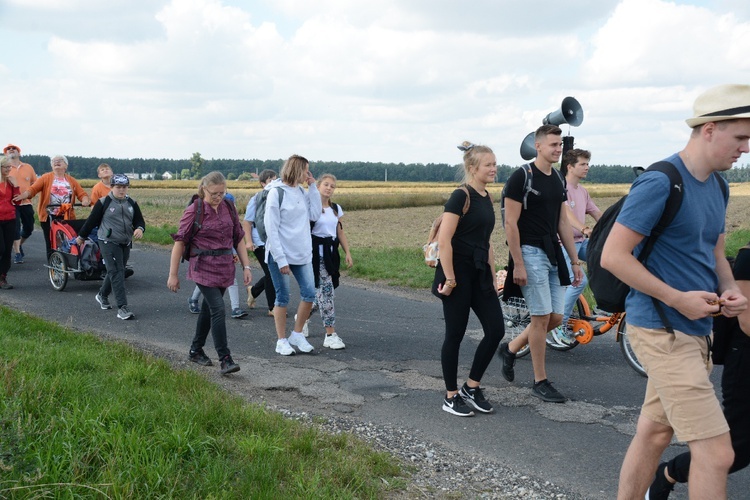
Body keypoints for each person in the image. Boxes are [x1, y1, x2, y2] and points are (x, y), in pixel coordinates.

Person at [601, 84, 750, 499]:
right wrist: (676, 297)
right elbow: (614, 256)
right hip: (662, 331)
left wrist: (728, 288)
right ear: (709, 129)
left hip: (697, 330)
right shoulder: (661, 182)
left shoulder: (717, 186)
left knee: (654, 433)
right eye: (740, 137)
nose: (746, 148)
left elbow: (716, 251)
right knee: (718, 453)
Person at [647, 245, 750, 499]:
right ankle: (668, 473)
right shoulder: (748, 258)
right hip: (745, 361)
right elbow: (747, 323)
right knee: (736, 452)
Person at [498, 124, 583, 403]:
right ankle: (540, 380)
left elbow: (561, 222)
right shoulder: (522, 177)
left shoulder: (558, 179)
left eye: (560, 145)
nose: (558, 149)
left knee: (556, 317)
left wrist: (575, 260)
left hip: (553, 252)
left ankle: (511, 349)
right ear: (538, 146)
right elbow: (510, 223)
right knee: (541, 317)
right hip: (529, 251)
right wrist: (518, 264)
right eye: (553, 145)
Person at [435, 142, 504, 417]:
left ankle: (471, 387)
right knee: (455, 334)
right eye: (489, 164)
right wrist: (450, 279)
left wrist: (493, 274)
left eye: (495, 164)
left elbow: (486, 242)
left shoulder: (486, 197)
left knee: (496, 329)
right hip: (456, 273)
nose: (494, 168)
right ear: (472, 168)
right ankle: (450, 395)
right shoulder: (459, 196)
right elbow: (444, 241)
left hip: (479, 273)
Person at [168, 171, 251, 375]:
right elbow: (180, 243)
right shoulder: (194, 210)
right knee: (218, 308)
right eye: (214, 193)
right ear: (204, 189)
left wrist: (246, 266)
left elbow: (238, 238)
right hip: (202, 266)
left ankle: (196, 350)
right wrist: (173, 274)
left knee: (208, 310)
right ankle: (225, 358)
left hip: (224, 267)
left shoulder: (229, 207)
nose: (218, 197)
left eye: (222, 193)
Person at [263, 154, 322, 356]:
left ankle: (297, 334)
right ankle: (281, 341)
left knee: (309, 293)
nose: (308, 173)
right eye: (306, 170)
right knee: (283, 297)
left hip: (301, 253)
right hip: (280, 254)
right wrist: (280, 259)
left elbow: (314, 214)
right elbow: (271, 228)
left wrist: (313, 187)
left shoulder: (301, 191)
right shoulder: (276, 193)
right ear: (297, 169)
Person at [76, 174, 145, 320]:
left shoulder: (131, 203)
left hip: (125, 241)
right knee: (117, 272)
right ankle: (122, 308)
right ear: (112, 187)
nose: (121, 190)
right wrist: (81, 237)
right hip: (107, 241)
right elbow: (91, 221)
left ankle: (102, 295)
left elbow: (139, 220)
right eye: (118, 187)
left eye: (124, 187)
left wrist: (139, 228)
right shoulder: (104, 202)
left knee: (115, 270)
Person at [300, 173, 353, 349]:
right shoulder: (310, 208)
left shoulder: (336, 209)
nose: (329, 188)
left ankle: (302, 317)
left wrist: (347, 252)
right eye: (326, 185)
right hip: (315, 254)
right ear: (318, 186)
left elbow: (340, 232)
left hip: (331, 254)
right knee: (327, 292)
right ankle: (330, 334)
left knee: (322, 292)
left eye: (332, 186)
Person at [556, 149, 602, 345]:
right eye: (583, 164)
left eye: (587, 164)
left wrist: (615, 229)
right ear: (570, 167)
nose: (587, 167)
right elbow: (567, 215)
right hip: (563, 244)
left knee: (607, 257)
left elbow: (597, 213)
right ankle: (559, 324)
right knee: (578, 281)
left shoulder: (582, 191)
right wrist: (584, 228)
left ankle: (605, 303)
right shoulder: (561, 188)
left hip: (580, 242)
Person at [12, 155, 90, 259]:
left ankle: (66, 263)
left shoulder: (71, 180)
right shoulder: (46, 178)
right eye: (54, 161)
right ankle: (52, 264)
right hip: (49, 216)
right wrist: (23, 195)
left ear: (65, 166)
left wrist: (85, 200)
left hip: (67, 216)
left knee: (68, 240)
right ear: (52, 165)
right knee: (51, 242)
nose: (57, 162)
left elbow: (82, 194)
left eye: (60, 160)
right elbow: (33, 189)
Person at [188, 192, 247, 319]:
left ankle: (235, 308)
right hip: (208, 259)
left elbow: (235, 237)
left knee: (231, 280)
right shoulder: (205, 212)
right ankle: (193, 299)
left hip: (226, 257)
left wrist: (236, 255)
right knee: (206, 283)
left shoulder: (230, 214)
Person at [242, 169, 278, 317]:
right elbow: (247, 222)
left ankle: (254, 290)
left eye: (275, 180)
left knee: (274, 272)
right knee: (270, 272)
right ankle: (272, 307)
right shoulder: (256, 199)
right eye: (270, 181)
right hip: (259, 242)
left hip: (274, 241)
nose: (273, 184)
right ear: (263, 183)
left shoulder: (278, 198)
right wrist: (249, 241)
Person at [4, 144, 37, 264]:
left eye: (14, 148)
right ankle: (17, 253)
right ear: (6, 154)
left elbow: (35, 184)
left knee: (29, 228)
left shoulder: (28, 167)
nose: (11, 150)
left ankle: (19, 245)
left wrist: (29, 194)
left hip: (26, 202)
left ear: (19, 152)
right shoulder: (5, 168)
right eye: (8, 149)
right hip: (11, 203)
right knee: (15, 228)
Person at [0, 155, 20, 289]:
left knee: (7, 250)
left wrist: (17, 186)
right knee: (0, 248)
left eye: (10, 167)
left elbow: (17, 201)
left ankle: (2, 277)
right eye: (6, 167)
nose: (9, 169)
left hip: (10, 218)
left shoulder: (11, 182)